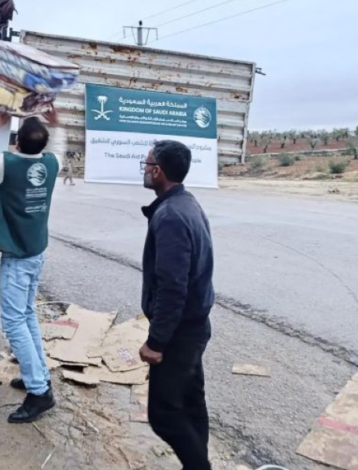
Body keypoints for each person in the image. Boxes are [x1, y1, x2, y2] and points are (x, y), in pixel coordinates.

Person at [0, 109, 64, 424]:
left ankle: (39, 392)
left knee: (14, 323)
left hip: (17, 256)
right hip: (36, 252)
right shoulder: (51, 164)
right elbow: (60, 145)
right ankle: (36, 375)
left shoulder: (5, 166)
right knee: (26, 315)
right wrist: (56, 122)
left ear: (17, 143)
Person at [139, 141, 215, 470]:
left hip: (180, 333)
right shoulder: (186, 202)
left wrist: (156, 342)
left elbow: (172, 287)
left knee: (165, 415)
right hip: (194, 325)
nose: (144, 170)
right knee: (190, 401)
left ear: (158, 171)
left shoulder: (170, 216)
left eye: (146, 164)